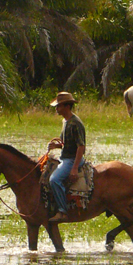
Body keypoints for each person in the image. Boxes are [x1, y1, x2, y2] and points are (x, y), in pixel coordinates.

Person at [47, 91, 86, 223]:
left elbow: (81, 146)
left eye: (59, 106)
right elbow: (68, 144)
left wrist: (74, 168)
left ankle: (62, 211)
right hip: (66, 158)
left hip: (72, 160)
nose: (57, 109)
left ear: (67, 106)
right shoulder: (65, 121)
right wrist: (57, 146)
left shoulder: (76, 123)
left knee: (54, 179)